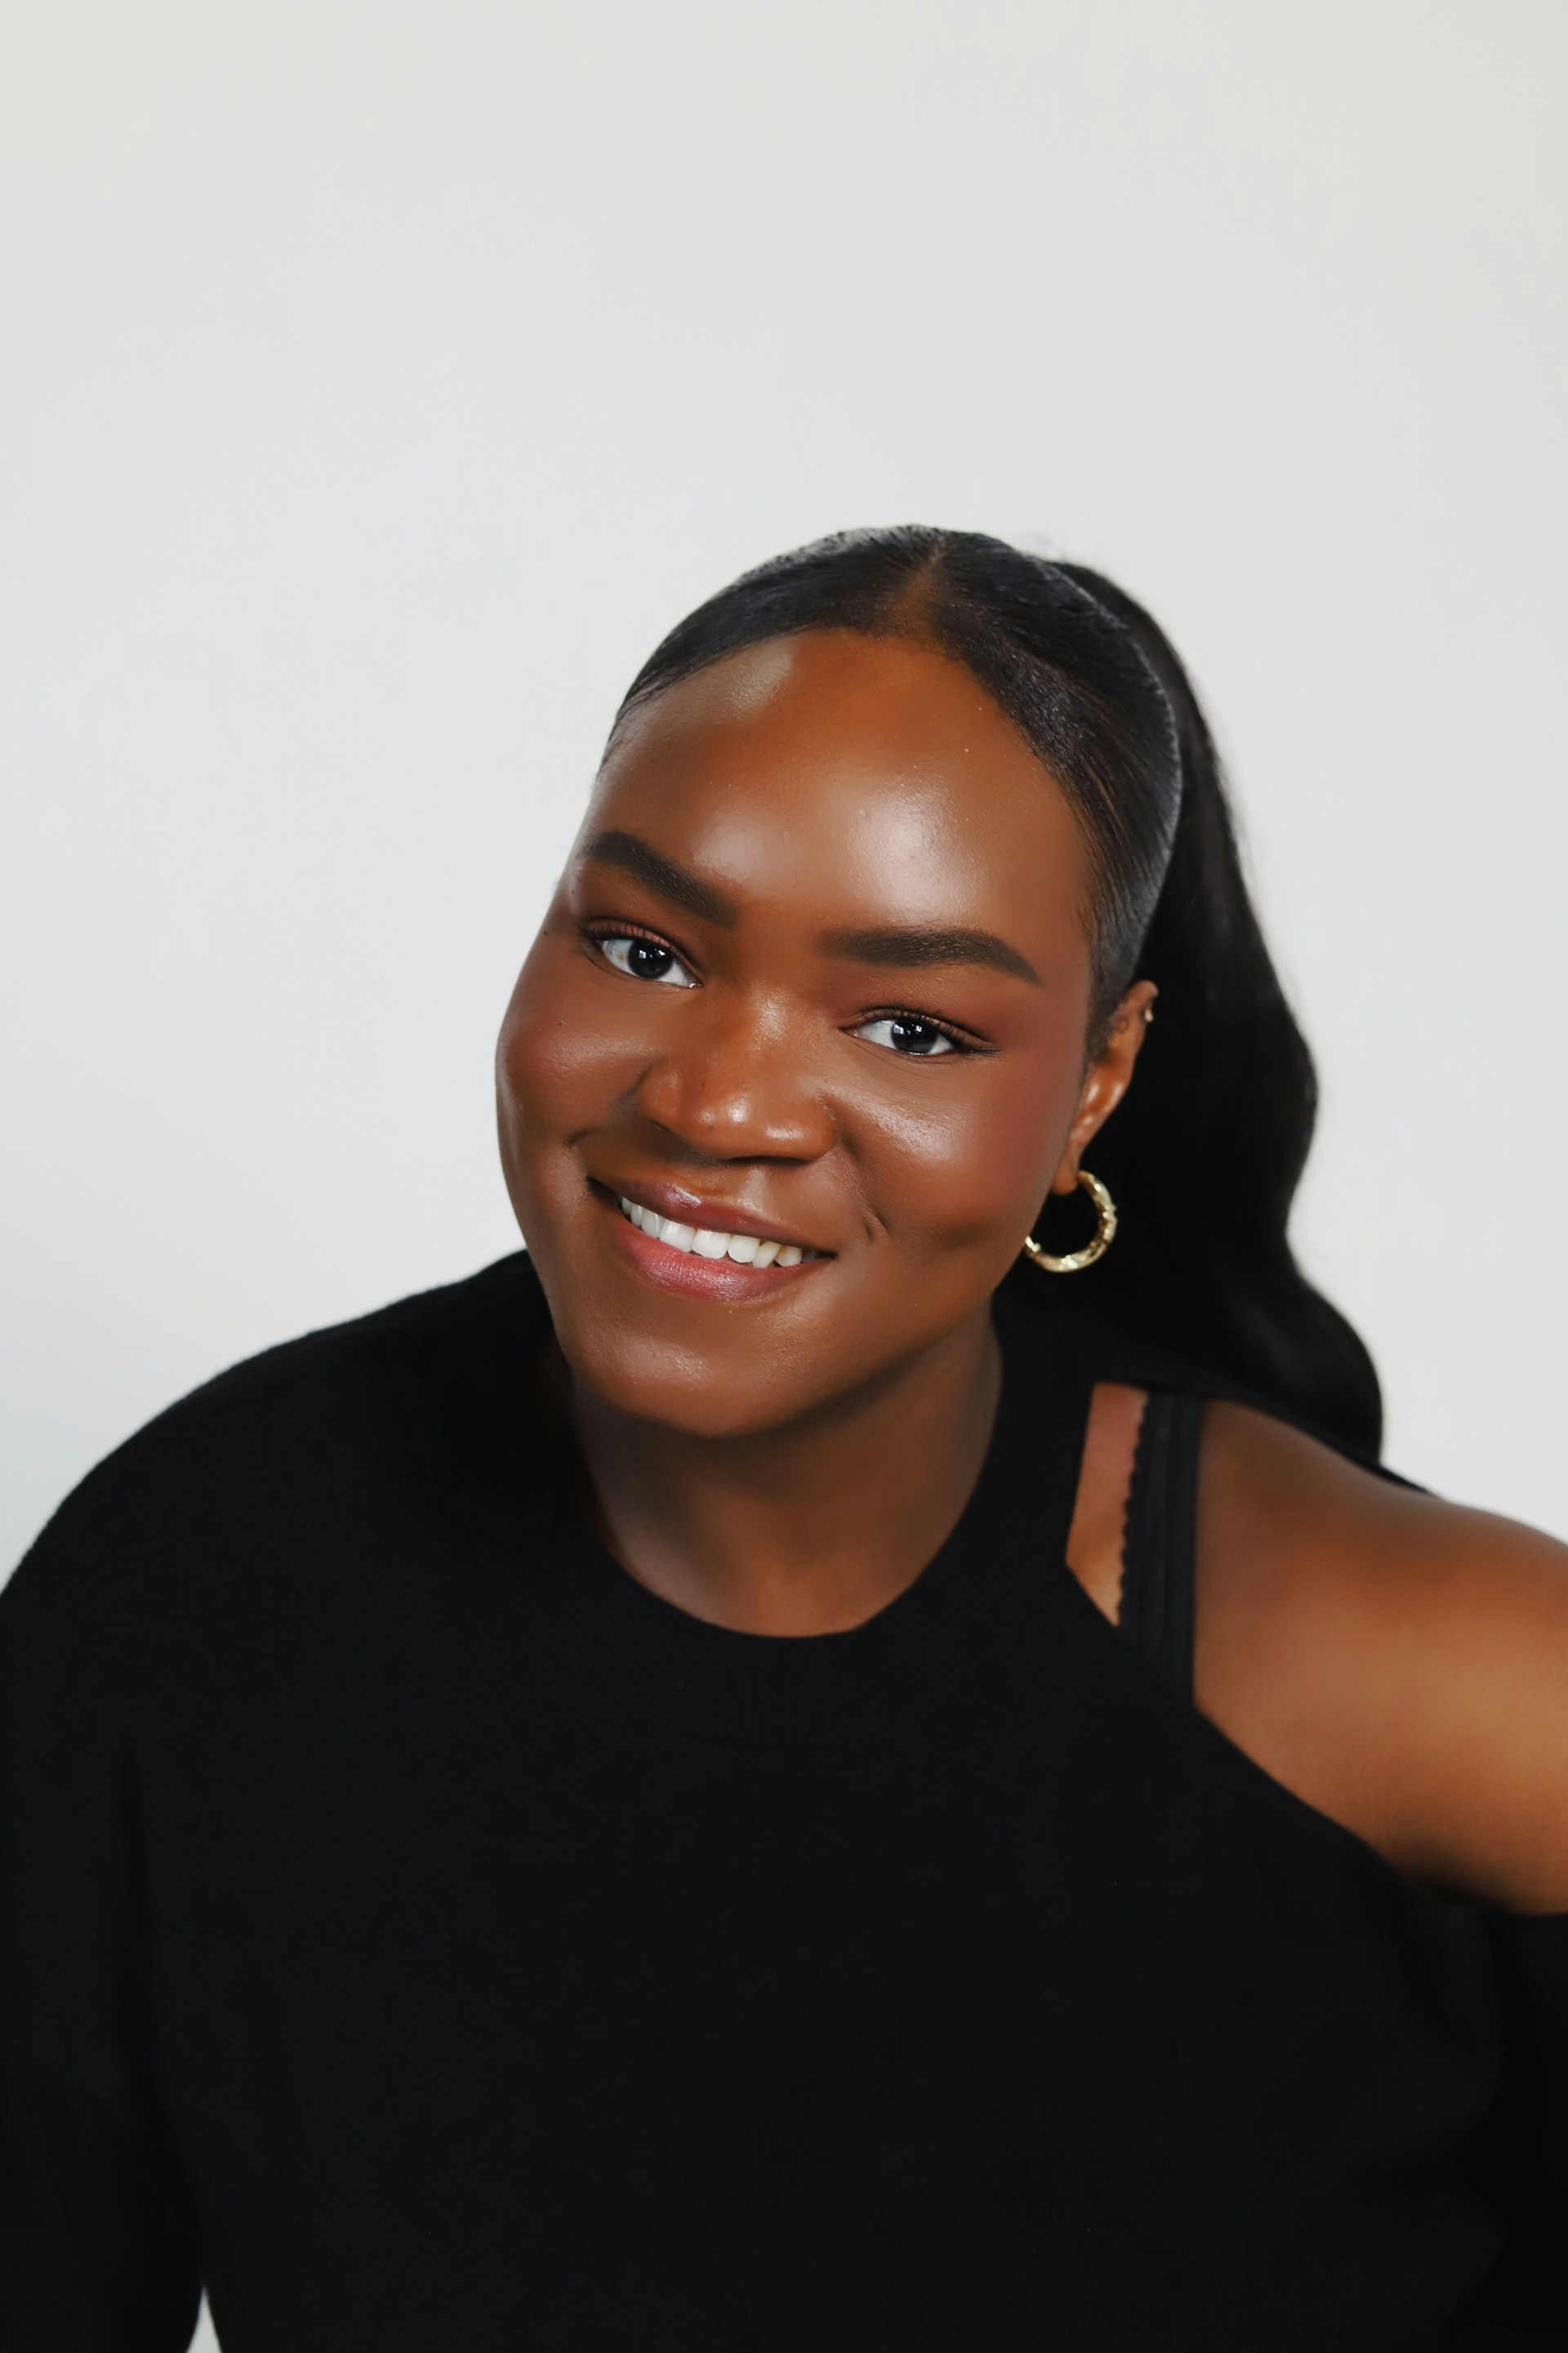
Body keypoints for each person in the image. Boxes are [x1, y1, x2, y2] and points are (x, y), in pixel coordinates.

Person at [3, 528, 1566, 2351]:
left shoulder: (1407, 1672)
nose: (718, 1101)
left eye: (910, 1024)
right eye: (644, 947)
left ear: (1100, 1085)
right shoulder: (195, 1600)